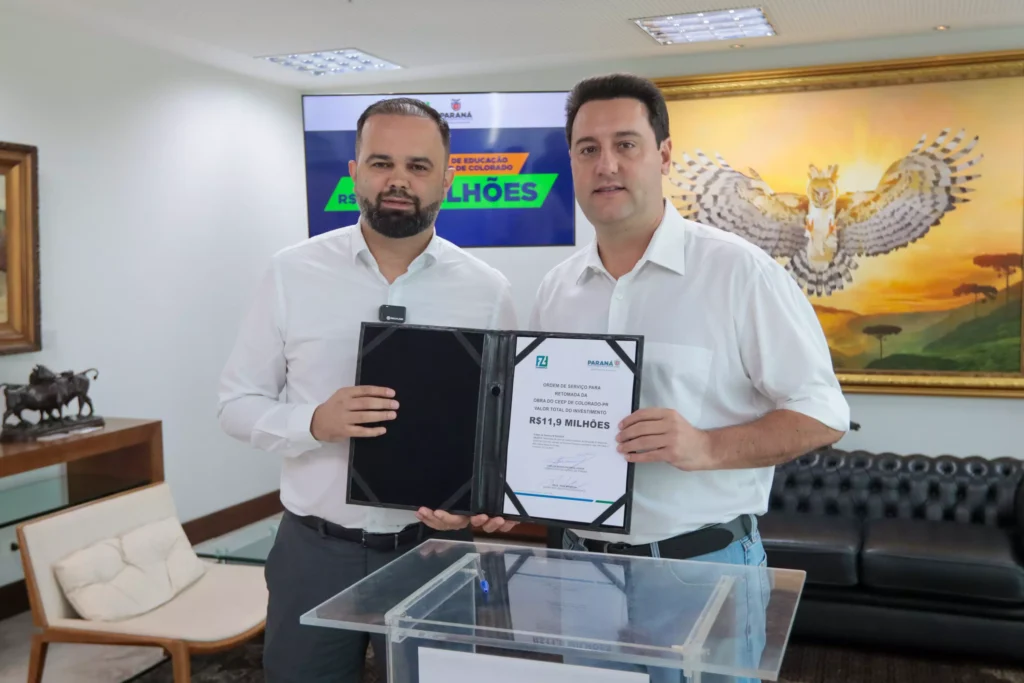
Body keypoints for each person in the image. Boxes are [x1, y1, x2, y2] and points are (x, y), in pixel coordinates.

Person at [529, 74, 851, 682]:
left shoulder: (739, 273)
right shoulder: (555, 289)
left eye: (626, 144)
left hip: (703, 570)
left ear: (664, 156)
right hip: (580, 572)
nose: (607, 165)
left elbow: (824, 412)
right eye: (587, 148)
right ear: (570, 160)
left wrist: (706, 446)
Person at [218, 97, 518, 683]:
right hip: (314, 550)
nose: (399, 180)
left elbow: (500, 427)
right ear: (353, 170)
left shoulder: (487, 290)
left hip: (435, 548)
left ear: (448, 178)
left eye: (419, 165)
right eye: (381, 163)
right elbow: (235, 404)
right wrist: (313, 422)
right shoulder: (290, 273)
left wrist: (480, 500)